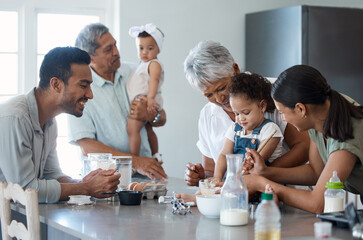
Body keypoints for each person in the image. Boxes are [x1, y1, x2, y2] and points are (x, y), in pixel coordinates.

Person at [0, 47, 120, 203]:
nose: (90, 95)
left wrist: (84, 183)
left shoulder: (49, 122)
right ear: (56, 84)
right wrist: (86, 188)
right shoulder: (15, 118)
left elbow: (52, 175)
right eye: (83, 86)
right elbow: (25, 190)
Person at [182, 40, 310, 186]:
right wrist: (202, 177)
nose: (219, 99)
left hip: (276, 192)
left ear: (235, 69)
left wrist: (260, 173)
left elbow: (303, 147)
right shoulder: (207, 115)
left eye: (221, 88)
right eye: (209, 95)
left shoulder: (275, 94)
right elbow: (211, 172)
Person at [243, 65, 363, 213]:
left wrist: (260, 184)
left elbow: (318, 203)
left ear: (301, 109)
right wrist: (265, 172)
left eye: (282, 112)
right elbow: (315, 172)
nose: (283, 119)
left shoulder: (345, 136)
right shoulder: (321, 111)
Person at [68, 23, 167, 180]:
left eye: (115, 45)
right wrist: (135, 162)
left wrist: (150, 115)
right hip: (105, 182)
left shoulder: (136, 71)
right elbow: (86, 146)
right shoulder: (80, 91)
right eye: (108, 49)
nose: (116, 52)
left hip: (147, 177)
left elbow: (162, 118)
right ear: (90, 57)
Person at [214, 72, 284, 181]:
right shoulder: (235, 129)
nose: (240, 118)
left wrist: (236, 182)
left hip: (260, 182)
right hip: (236, 181)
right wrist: (217, 179)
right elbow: (224, 155)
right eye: (236, 113)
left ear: (262, 106)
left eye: (245, 112)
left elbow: (255, 163)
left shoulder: (270, 130)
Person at [127, 23, 164, 161]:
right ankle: (156, 155)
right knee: (148, 130)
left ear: (158, 49)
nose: (144, 52)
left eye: (150, 48)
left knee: (132, 130)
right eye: (141, 48)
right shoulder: (142, 64)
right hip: (145, 99)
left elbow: (154, 80)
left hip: (145, 100)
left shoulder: (153, 63)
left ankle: (133, 160)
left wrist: (150, 99)